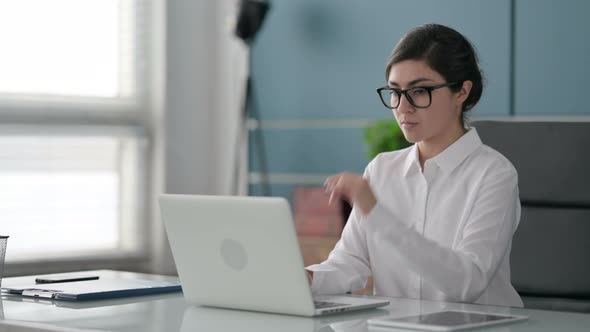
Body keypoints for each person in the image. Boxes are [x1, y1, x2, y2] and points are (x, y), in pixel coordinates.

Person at [305, 23, 523, 307]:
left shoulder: (494, 174)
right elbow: (351, 263)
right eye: (395, 91)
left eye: (419, 91)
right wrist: (303, 280)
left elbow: (468, 281)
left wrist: (378, 214)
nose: (402, 107)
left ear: (461, 92)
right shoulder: (382, 169)